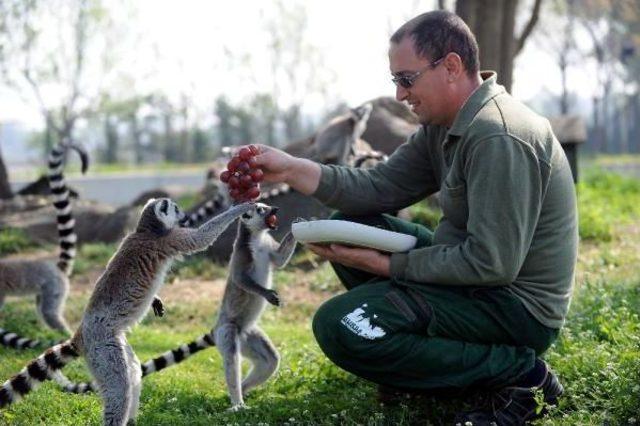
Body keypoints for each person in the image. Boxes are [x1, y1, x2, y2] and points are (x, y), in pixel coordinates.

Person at [253, 10, 577, 425]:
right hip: (479, 283)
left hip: (515, 309)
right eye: (396, 82)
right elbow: (379, 187)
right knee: (358, 226)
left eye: (407, 79)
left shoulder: (498, 135)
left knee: (340, 325)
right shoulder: (446, 125)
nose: (401, 95)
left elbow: (491, 263)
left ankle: (521, 376)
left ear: (452, 67)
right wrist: (294, 169)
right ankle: (423, 366)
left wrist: (388, 266)